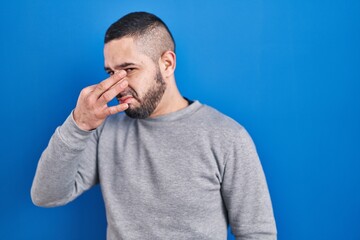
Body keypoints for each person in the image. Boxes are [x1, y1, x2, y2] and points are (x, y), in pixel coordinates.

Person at [31, 11, 277, 240]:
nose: (117, 85)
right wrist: (79, 125)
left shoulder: (227, 137)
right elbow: (46, 195)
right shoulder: (105, 130)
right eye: (110, 72)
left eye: (128, 69)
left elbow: (258, 233)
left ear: (167, 64)